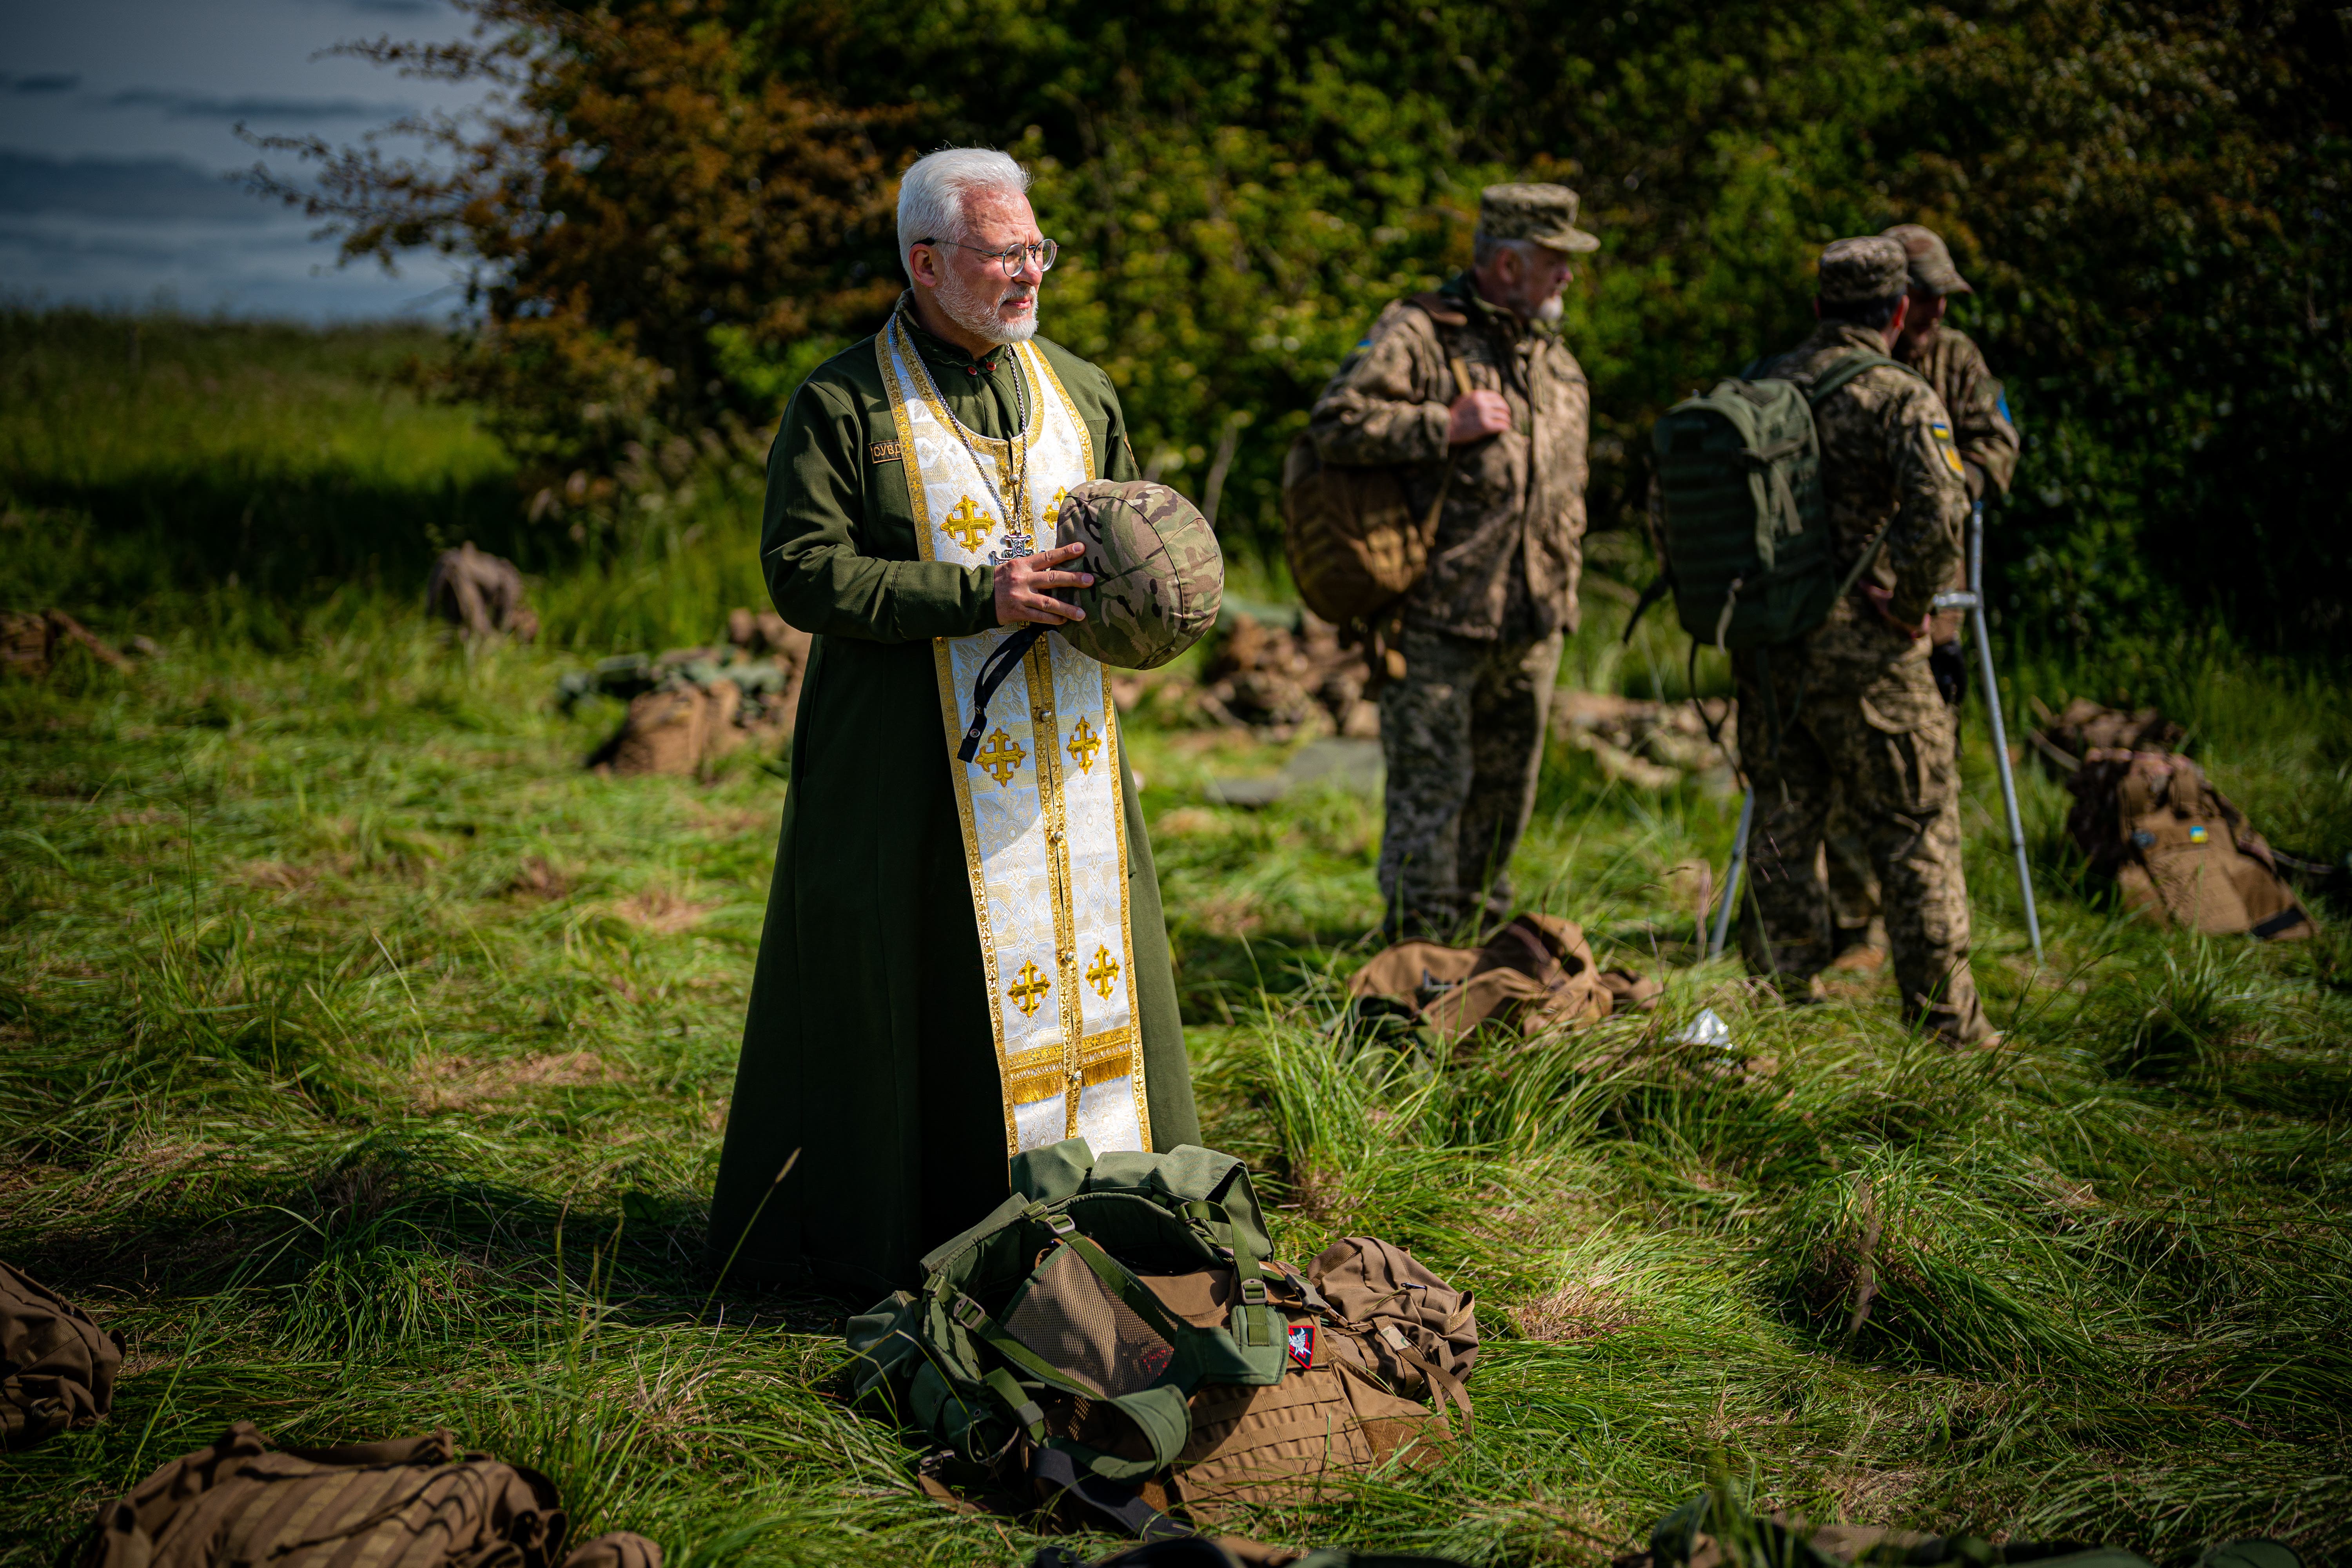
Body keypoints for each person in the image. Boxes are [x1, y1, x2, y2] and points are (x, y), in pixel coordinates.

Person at [706, 147, 1199, 1295]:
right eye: (1004, 252)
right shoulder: (843, 401)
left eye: (1039, 248)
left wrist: (1162, 591)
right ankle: (921, 1246)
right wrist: (978, 594)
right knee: (921, 998)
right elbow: (802, 574)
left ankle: (1107, 1237)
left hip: (1070, 759)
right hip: (909, 767)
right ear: (927, 263)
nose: (1031, 271)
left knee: (1096, 986)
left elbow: (1131, 526)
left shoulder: (1082, 386)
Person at [1307, 183, 1599, 938]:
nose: (1568, 277)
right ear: (1507, 264)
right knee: (1431, 798)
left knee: (1508, 796)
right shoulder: (1419, 333)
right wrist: (1443, 424)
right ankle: (1415, 957)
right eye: (1555, 262)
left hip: (1533, 620)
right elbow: (1337, 423)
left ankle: (1478, 947)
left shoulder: (1555, 357)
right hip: (1437, 616)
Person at [1737, 236, 1993, 1046]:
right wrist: (1913, 604)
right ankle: (1947, 1029)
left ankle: (1779, 1009)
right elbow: (1945, 512)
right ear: (1896, 312)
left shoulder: (1757, 386)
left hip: (1772, 654)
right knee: (1915, 826)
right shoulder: (1899, 394)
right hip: (1871, 660)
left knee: (1782, 824)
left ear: (1818, 309)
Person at [1820, 224, 2022, 967]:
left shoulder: (1954, 359)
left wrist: (1938, 483)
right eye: (1926, 297)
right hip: (1844, 597)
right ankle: (1856, 925)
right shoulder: (1842, 361)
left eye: (1942, 299)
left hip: (1930, 596)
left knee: (1924, 764)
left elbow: (1997, 446)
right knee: (1843, 766)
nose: (1934, 312)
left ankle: (1937, 938)